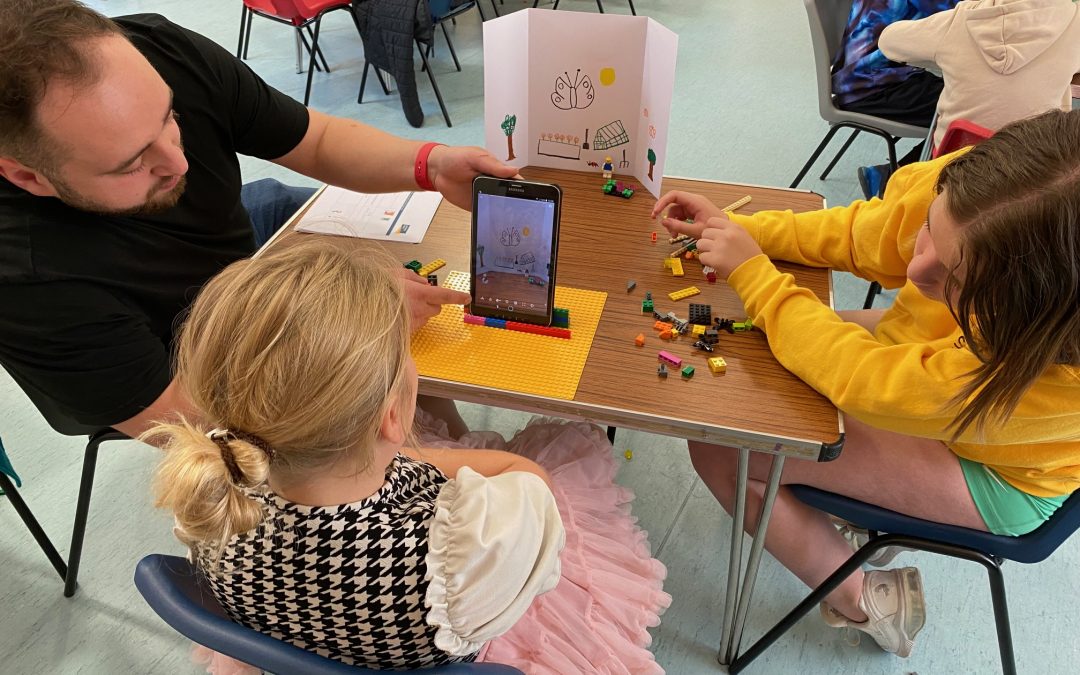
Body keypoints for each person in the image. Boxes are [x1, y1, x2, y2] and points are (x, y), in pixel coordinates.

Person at [650, 109, 1080, 658]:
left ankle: (869, 602)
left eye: (953, 279)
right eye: (930, 228)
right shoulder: (991, 192)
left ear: (1031, 321)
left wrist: (754, 273)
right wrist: (746, 233)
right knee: (762, 345)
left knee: (725, 444)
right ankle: (847, 513)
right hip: (936, 372)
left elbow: (866, 380)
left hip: (997, 471)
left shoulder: (1044, 376)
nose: (917, 268)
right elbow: (867, 233)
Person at [0, 1, 514, 441]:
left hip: (243, 248)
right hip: (186, 362)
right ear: (28, 176)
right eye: (132, 163)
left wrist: (430, 164)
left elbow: (314, 140)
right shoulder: (25, 280)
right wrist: (354, 320)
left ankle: (442, 432)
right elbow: (184, 418)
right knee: (368, 360)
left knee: (407, 259)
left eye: (170, 117)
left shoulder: (156, 49)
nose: (180, 163)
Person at [147, 241, 670, 673]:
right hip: (440, 649)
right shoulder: (462, 559)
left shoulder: (209, 494)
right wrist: (420, 458)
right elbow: (530, 479)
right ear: (392, 419)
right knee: (566, 461)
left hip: (287, 642)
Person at [879, 0, 1080, 150]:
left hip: (952, 168)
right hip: (1032, 175)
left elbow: (888, 42)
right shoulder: (1075, 22)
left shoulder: (958, 19)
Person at [829, 0, 959, 198]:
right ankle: (892, 183)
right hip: (873, 86)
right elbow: (964, 19)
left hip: (869, 76)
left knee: (975, 99)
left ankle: (896, 175)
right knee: (972, 111)